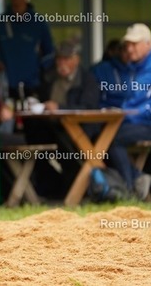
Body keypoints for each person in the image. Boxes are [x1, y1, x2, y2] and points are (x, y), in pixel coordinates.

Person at [23, 40, 101, 198]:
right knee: (32, 139)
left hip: (79, 130)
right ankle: (47, 188)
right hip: (51, 128)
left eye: (66, 59)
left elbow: (88, 108)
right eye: (59, 59)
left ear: (76, 60)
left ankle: (78, 189)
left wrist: (59, 108)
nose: (62, 63)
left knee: (69, 152)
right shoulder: (49, 78)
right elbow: (41, 98)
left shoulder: (87, 80)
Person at [108, 24, 151, 199]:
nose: (129, 49)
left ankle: (130, 189)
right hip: (138, 122)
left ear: (148, 44)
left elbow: (150, 107)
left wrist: (130, 114)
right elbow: (132, 100)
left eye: (134, 44)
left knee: (111, 138)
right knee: (102, 134)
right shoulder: (134, 68)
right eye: (127, 45)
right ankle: (137, 179)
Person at [0, 0, 55, 99]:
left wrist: (38, 69)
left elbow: (50, 52)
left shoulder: (38, 22)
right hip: (6, 85)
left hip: (33, 85)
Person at [91, 39, 131, 108]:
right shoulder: (101, 69)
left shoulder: (136, 69)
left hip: (133, 110)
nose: (129, 54)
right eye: (125, 50)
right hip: (107, 111)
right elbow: (93, 97)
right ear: (119, 51)